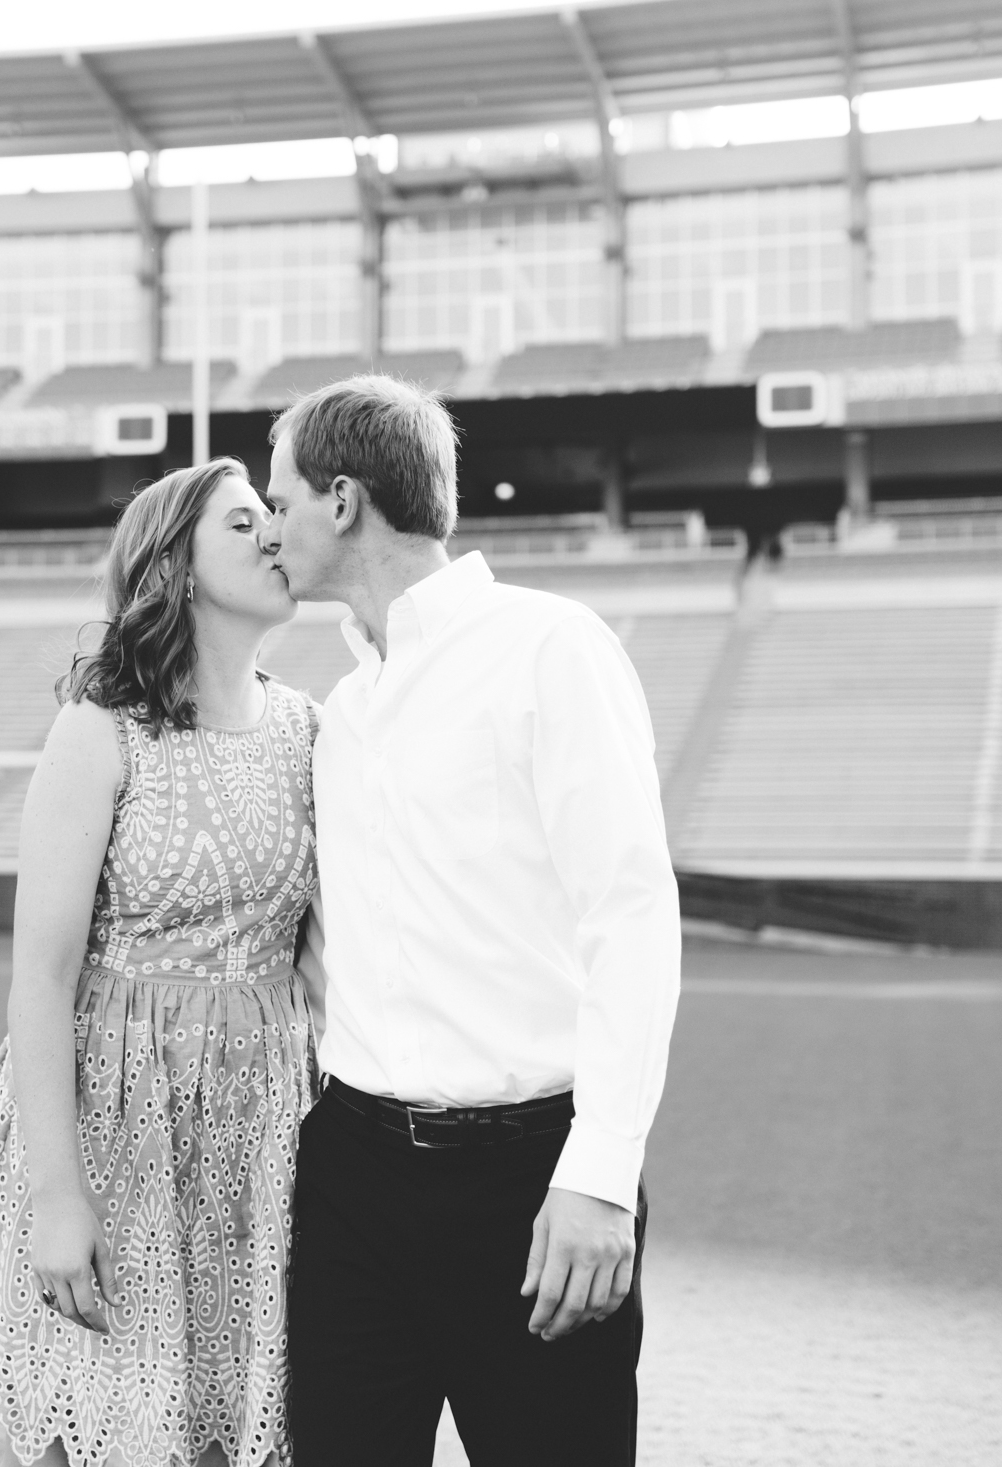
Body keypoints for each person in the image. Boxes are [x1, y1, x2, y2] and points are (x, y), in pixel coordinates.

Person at [259, 376, 681, 1467]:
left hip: (530, 1180)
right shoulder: (342, 713)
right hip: (350, 1174)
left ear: (342, 500)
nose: (270, 528)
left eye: (282, 498)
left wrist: (598, 1175)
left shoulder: (549, 646)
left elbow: (630, 917)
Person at [0, 457, 318, 1467]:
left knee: (247, 1434)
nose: (274, 535)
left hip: (263, 1131)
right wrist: (62, 1197)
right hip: (112, 1121)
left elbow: (328, 962)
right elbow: (42, 981)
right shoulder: (100, 732)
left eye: (272, 517)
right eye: (242, 524)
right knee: (102, 1431)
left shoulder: (312, 730)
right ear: (175, 567)